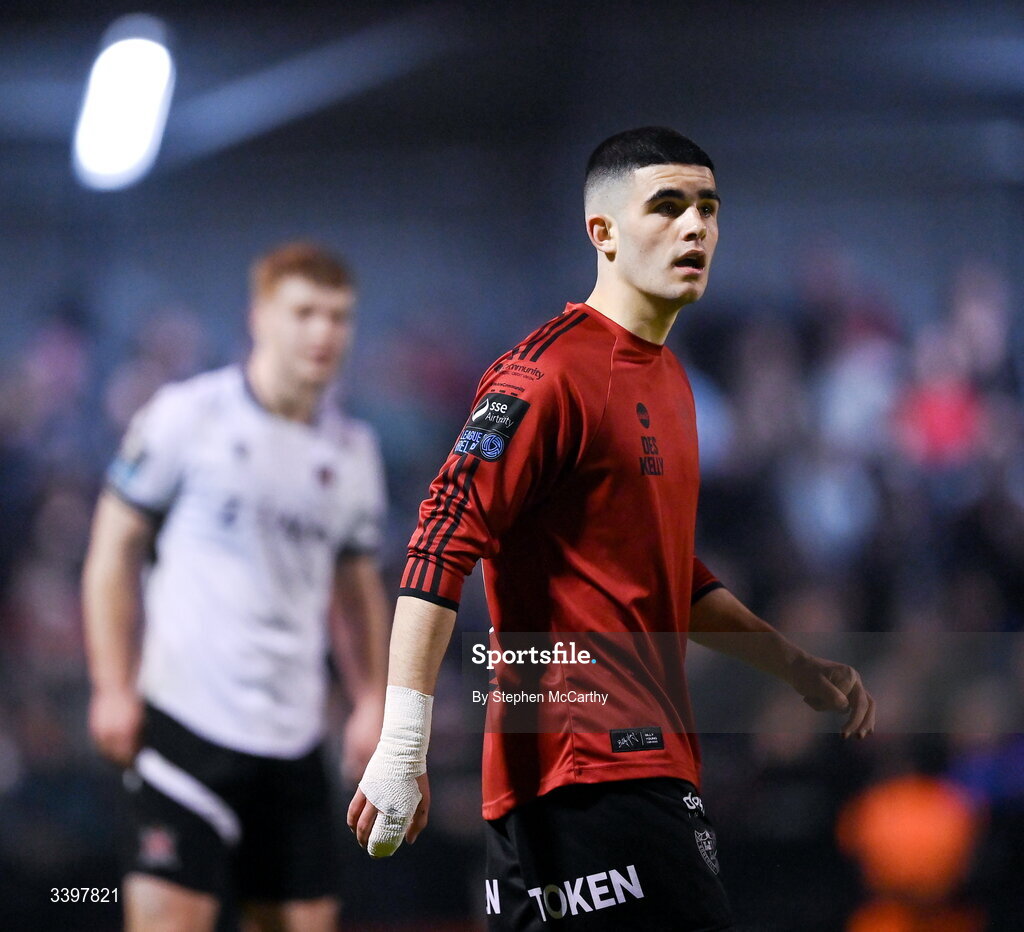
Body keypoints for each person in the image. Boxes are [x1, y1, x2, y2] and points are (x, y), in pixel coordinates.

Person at [347, 127, 876, 930]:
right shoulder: (546, 372)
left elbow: (665, 575)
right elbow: (439, 538)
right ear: (603, 232)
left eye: (707, 208)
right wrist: (403, 743)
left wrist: (792, 664)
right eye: (667, 206)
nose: (695, 227)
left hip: (611, 776)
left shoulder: (672, 383)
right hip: (593, 770)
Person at [83, 242, 390, 932]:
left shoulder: (353, 452)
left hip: (293, 736)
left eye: (339, 317)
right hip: (186, 730)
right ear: (260, 316)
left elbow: (355, 589)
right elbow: (112, 550)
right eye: (304, 312)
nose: (323, 333)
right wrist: (111, 683)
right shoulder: (186, 418)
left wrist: (374, 700)